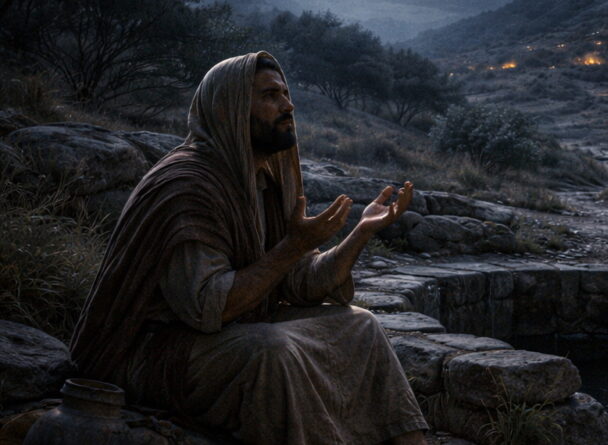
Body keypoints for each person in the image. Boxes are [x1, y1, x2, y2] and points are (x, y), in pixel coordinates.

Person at [69, 51, 428, 445]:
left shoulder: (263, 180)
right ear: (232, 107)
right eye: (271, 96)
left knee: (361, 325)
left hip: (228, 334)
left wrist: (361, 232)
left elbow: (302, 283)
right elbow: (210, 306)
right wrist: (293, 246)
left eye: (286, 94)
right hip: (157, 352)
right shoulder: (187, 186)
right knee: (271, 351)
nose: (288, 106)